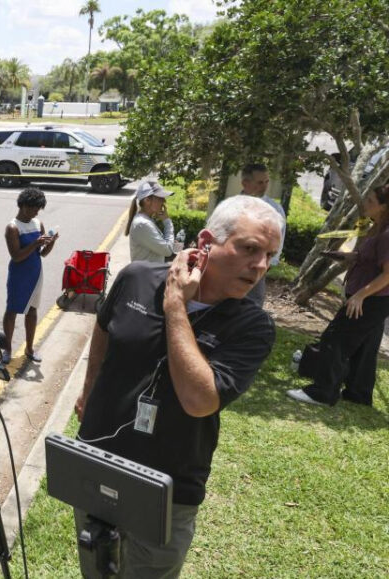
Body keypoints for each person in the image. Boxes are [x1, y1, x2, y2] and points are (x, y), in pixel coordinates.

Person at [73, 195, 284, 578]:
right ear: (207, 242)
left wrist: (175, 307)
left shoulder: (253, 326)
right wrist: (89, 390)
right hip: (100, 457)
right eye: (250, 249)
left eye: (269, 255)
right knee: (95, 568)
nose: (260, 266)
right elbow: (104, 328)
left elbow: (199, 401)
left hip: (168, 487)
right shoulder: (135, 277)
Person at [287, 184, 389, 407]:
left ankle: (322, 392)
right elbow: (370, 258)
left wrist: (360, 296)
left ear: (384, 207)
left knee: (335, 338)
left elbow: (387, 275)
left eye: (371, 201)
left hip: (371, 299)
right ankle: (358, 394)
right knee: (366, 345)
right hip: (373, 298)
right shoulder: (378, 228)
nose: (365, 203)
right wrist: (347, 257)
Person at [2, 188, 58, 364]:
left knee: (32, 311)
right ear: (24, 206)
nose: (36, 212)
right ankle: (7, 348)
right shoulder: (12, 227)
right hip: (19, 274)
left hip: (35, 273)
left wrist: (52, 241)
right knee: (12, 310)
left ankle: (29, 348)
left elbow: (43, 253)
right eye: (34, 208)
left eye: (38, 209)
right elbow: (16, 256)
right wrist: (35, 243)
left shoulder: (37, 223)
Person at [239, 163, 287, 307]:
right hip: (229, 266)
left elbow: (279, 239)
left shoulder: (274, 209)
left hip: (258, 270)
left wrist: (267, 264)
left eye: (266, 182)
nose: (265, 186)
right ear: (245, 183)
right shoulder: (230, 206)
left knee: (252, 308)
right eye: (260, 182)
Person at [125, 180, 176, 263]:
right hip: (147, 275)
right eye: (160, 198)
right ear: (147, 200)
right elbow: (167, 251)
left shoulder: (146, 220)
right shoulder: (143, 224)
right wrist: (167, 222)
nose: (164, 201)